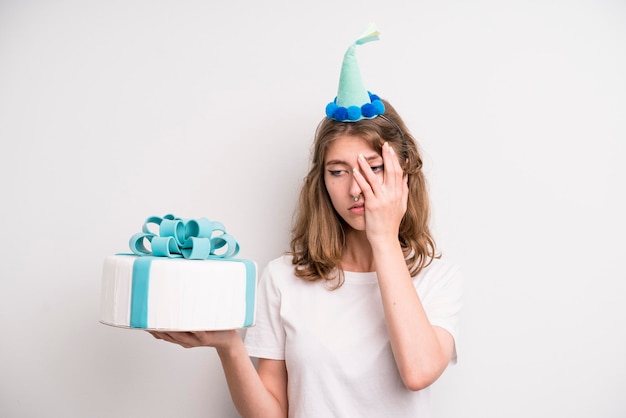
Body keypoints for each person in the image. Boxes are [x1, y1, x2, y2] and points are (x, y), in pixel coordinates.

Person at [150, 25, 462, 418]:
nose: (356, 189)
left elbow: (418, 372)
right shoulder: (283, 278)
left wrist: (383, 237)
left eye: (375, 168)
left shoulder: (437, 278)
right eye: (338, 171)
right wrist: (229, 345)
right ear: (322, 182)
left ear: (403, 175)